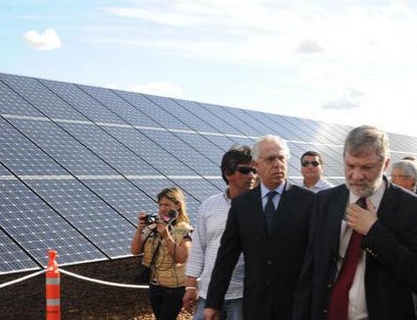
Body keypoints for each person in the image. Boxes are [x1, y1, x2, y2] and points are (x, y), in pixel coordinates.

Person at [293, 125, 417, 319]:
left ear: (385, 164)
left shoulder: (412, 207)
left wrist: (374, 231)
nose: (356, 176)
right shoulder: (325, 201)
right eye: (350, 166)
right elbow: (311, 267)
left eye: (367, 167)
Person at [205, 135, 315, 320]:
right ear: (256, 165)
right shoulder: (241, 205)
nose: (278, 164)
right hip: (256, 304)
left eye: (282, 158)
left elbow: (317, 256)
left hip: (296, 304)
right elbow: (226, 256)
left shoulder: (308, 201)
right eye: (271, 159)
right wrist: (213, 303)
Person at [182, 145, 256, 320]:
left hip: (243, 296)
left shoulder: (262, 208)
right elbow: (199, 247)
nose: (252, 175)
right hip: (208, 293)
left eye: (254, 170)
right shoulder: (209, 205)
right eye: (245, 170)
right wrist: (190, 286)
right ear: (227, 174)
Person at [131, 187, 193, 320]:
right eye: (160, 205)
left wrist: (166, 236)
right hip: (155, 285)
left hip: (174, 288)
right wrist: (139, 230)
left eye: (167, 205)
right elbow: (135, 251)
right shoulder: (152, 227)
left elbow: (181, 258)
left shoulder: (182, 229)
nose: (163, 208)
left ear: (177, 205)